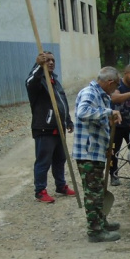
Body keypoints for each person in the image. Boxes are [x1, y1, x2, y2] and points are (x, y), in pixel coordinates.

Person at [73, 67, 124, 243]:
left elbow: (98, 121)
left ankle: (101, 222)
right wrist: (109, 112)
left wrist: (107, 146)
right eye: (116, 86)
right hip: (88, 153)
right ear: (110, 82)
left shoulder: (100, 96)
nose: (115, 90)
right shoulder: (90, 93)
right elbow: (82, 112)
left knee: (98, 190)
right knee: (93, 193)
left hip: (96, 151)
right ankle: (95, 231)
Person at [25, 51, 76, 203]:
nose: (51, 62)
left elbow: (63, 103)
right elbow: (29, 82)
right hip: (44, 129)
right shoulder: (37, 82)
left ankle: (61, 186)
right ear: (41, 62)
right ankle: (40, 190)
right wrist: (39, 67)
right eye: (47, 60)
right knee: (43, 161)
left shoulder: (55, 81)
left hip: (59, 128)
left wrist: (68, 120)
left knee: (60, 159)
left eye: (53, 60)